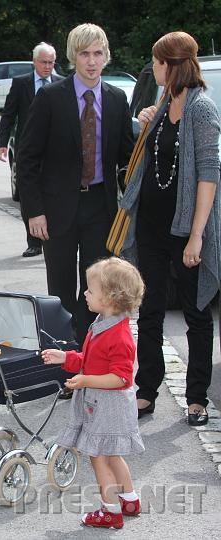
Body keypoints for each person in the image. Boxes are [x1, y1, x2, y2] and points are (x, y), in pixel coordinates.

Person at [119, 31, 220, 426]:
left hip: (187, 230)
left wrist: (196, 235)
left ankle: (197, 398)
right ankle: (147, 391)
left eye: (157, 62)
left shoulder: (202, 109)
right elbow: (148, 158)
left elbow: (209, 177)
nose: (154, 68)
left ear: (172, 65)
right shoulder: (162, 103)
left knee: (196, 313)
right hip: (151, 227)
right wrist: (146, 118)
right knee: (150, 311)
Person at [17, 23, 134, 343]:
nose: (92, 61)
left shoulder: (115, 99)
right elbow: (26, 160)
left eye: (98, 53)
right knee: (61, 290)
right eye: (85, 54)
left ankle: (91, 358)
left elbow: (127, 161)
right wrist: (34, 211)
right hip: (57, 209)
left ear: (106, 57)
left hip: (101, 207)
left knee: (97, 290)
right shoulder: (51, 98)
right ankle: (65, 364)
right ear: (73, 57)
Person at [42, 257, 145, 529]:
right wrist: (65, 357)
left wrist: (85, 379)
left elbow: (121, 378)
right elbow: (89, 360)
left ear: (110, 297)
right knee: (111, 454)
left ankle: (110, 510)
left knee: (99, 457)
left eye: (90, 290)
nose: (85, 293)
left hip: (108, 406)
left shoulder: (119, 336)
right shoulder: (102, 324)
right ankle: (129, 499)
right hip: (102, 402)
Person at [0, 42, 63, 258]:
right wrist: (2, 143)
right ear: (34, 62)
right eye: (43, 62)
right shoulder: (21, 83)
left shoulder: (62, 84)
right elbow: (9, 114)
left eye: (51, 62)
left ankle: (54, 238)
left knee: (54, 192)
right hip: (27, 148)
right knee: (28, 193)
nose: (47, 66)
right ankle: (33, 242)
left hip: (53, 150)